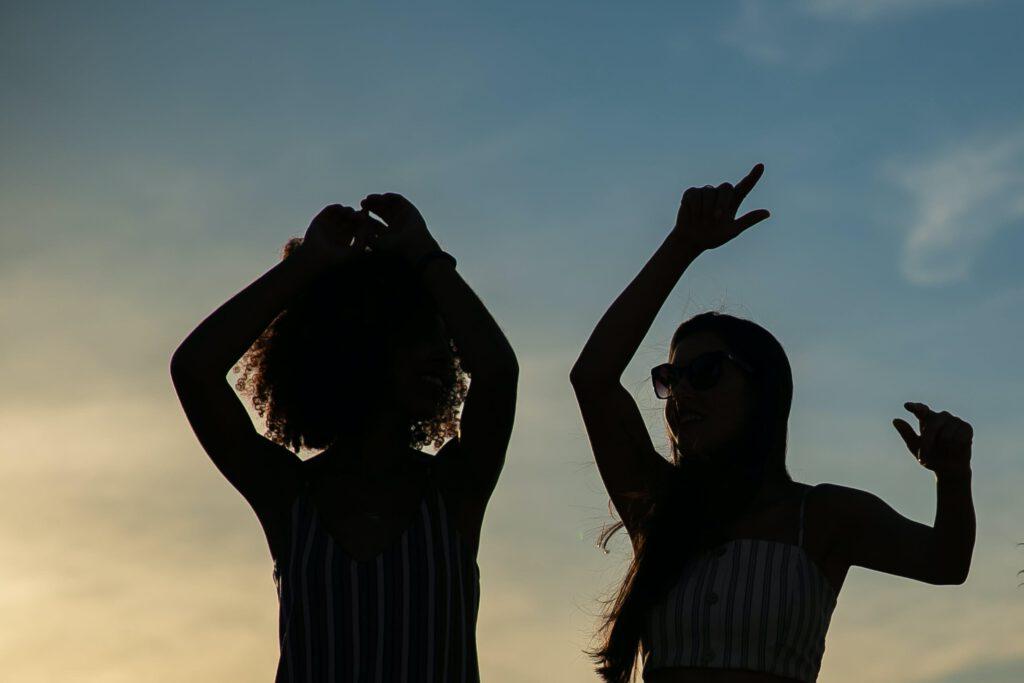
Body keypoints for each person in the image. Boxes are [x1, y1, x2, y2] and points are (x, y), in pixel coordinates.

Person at [569, 164, 975, 683]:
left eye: (706, 372)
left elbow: (946, 563)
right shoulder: (659, 508)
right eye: (671, 377)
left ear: (762, 391)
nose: (683, 391)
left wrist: (953, 477)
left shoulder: (824, 514)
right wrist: (682, 246)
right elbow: (593, 379)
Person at [170, 194, 518, 682]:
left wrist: (427, 255)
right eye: (418, 334)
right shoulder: (288, 495)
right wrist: (307, 266)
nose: (442, 355)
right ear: (357, 343)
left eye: (443, 338)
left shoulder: (455, 489)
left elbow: (498, 373)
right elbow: (194, 369)